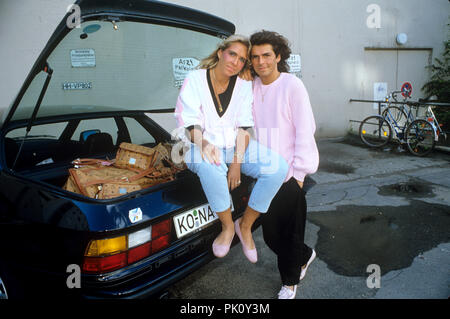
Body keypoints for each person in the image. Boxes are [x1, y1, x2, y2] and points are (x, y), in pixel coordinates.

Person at [174, 35, 288, 263]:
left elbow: (244, 125)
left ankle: (244, 226)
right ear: (220, 53)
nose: (235, 62)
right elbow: (188, 122)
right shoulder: (195, 79)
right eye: (232, 54)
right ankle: (227, 227)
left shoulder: (244, 84)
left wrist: (236, 163)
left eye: (241, 59)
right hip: (197, 144)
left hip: (233, 145)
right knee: (210, 164)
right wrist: (205, 144)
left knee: (278, 168)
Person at [250, 30, 319, 299]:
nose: (261, 61)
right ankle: (304, 255)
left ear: (278, 56)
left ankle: (289, 283)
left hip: (291, 173)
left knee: (289, 234)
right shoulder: (253, 86)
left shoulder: (292, 86)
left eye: (267, 55)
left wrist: (299, 174)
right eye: (255, 56)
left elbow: (305, 129)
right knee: (270, 236)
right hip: (266, 174)